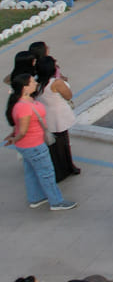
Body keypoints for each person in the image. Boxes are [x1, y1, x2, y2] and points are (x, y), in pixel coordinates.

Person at [4, 73, 76, 211]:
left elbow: (18, 126)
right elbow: (23, 131)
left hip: (26, 145)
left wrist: (14, 137)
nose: (36, 83)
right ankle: (56, 202)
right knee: (47, 173)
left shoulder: (20, 103)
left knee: (31, 171)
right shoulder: (25, 107)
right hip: (34, 145)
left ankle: (36, 198)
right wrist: (14, 139)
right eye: (32, 82)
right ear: (24, 88)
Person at [34, 55, 78, 181]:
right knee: (63, 143)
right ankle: (66, 168)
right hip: (59, 116)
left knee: (53, 146)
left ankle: (59, 169)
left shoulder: (37, 82)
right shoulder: (56, 83)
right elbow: (68, 95)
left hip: (46, 115)